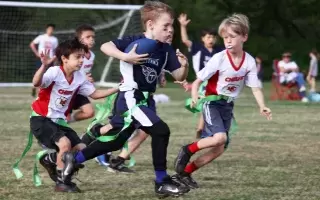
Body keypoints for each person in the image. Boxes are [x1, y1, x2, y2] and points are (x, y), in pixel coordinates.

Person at [61, 1, 190, 197]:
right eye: (166, 26)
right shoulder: (135, 41)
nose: (170, 30)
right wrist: (125, 56)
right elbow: (106, 46)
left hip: (145, 100)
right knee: (161, 130)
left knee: (115, 142)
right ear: (150, 25)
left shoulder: (165, 49)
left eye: (172, 26)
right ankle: (161, 181)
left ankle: (75, 158)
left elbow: (179, 76)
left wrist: (184, 65)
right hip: (131, 98)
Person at [173, 13, 272, 189]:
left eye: (232, 37)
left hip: (227, 106)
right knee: (219, 137)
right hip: (212, 102)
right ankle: (187, 150)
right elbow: (197, 81)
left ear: (244, 37)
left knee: (220, 147)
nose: (227, 40)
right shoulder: (219, 58)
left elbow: (255, 87)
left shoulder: (248, 61)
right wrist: (195, 97)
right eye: (225, 37)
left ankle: (185, 173)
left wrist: (262, 106)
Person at [33, 38, 118, 192]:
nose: (81, 60)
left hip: (59, 122)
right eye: (77, 57)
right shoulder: (54, 72)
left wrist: (118, 88)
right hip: (41, 119)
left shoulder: (79, 77)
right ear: (64, 59)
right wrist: (44, 66)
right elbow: (36, 83)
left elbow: (96, 94)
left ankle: (50, 159)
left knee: (81, 148)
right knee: (64, 144)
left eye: (82, 56)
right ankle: (62, 181)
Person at [177, 13, 224, 139]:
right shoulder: (197, 48)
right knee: (206, 103)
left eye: (213, 37)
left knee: (209, 104)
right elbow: (185, 41)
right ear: (203, 38)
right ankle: (202, 128)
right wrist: (182, 26)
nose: (211, 40)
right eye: (208, 37)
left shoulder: (219, 50)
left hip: (215, 82)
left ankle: (203, 128)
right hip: (202, 81)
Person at [67, 24, 96, 123]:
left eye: (93, 37)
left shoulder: (92, 55)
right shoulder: (74, 54)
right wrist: (84, 78)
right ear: (79, 40)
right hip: (68, 89)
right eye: (88, 37)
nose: (92, 39)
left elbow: (84, 72)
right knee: (62, 118)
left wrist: (89, 81)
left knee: (89, 112)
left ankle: (68, 121)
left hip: (79, 90)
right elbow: (69, 71)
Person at [29, 24, 58, 97]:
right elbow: (32, 44)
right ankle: (35, 89)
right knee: (39, 74)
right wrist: (36, 53)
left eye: (52, 29)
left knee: (49, 76)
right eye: (49, 29)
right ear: (46, 29)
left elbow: (55, 50)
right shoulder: (41, 37)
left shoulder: (54, 39)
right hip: (41, 59)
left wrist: (54, 60)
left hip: (50, 60)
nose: (50, 31)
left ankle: (42, 92)